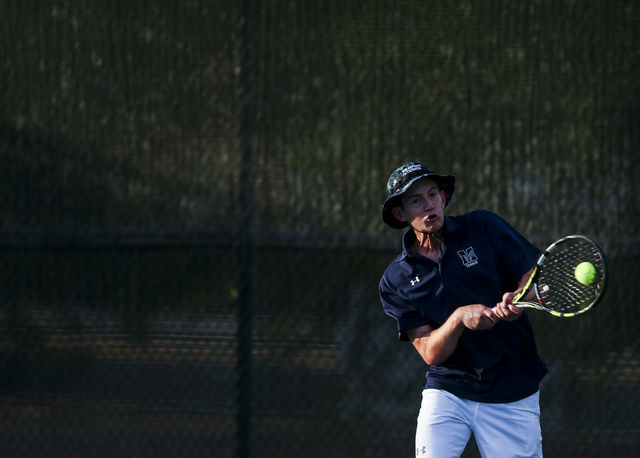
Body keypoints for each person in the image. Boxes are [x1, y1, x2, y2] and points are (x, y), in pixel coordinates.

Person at [379, 162, 548, 458]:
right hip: (448, 390)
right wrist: (458, 319)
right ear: (400, 213)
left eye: (433, 194)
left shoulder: (483, 225)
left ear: (444, 198)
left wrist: (518, 299)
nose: (429, 205)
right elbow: (431, 352)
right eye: (416, 200)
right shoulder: (395, 280)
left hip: (512, 387)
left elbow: (532, 276)